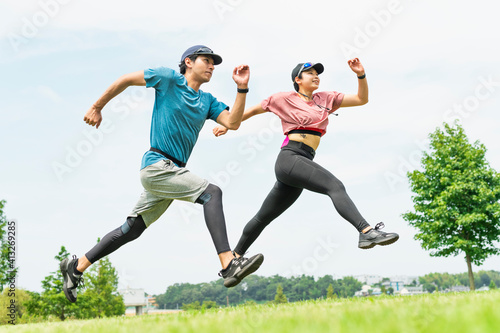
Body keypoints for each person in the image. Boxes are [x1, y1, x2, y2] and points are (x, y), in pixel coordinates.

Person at [60, 45, 264, 303]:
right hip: (157, 165)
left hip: (172, 172)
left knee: (132, 229)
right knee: (212, 193)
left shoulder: (208, 101)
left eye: (214, 63)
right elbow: (125, 80)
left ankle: (77, 266)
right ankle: (228, 262)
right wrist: (97, 106)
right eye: (207, 60)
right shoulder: (168, 79)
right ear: (189, 62)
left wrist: (242, 88)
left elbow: (232, 122)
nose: (212, 66)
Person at [213, 58, 399, 259]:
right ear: (298, 79)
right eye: (310, 73)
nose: (316, 76)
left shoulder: (326, 98)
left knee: (263, 216)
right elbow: (254, 110)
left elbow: (361, 99)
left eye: (317, 73)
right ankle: (366, 231)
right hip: (290, 158)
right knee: (335, 186)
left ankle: (235, 257)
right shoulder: (283, 98)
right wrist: (227, 124)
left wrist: (360, 75)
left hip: (302, 161)